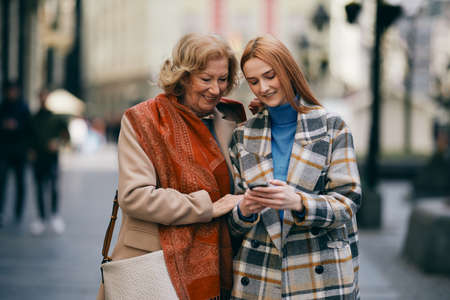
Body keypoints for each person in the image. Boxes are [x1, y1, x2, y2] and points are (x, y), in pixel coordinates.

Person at [97, 33, 246, 300]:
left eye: (222, 79)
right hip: (157, 263)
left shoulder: (232, 119)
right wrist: (206, 208)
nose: (216, 89)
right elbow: (135, 196)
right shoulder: (142, 120)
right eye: (206, 79)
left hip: (222, 265)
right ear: (184, 76)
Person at [228, 35, 361, 299]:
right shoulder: (242, 136)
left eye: (270, 75)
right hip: (259, 277)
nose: (263, 87)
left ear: (287, 70)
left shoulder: (331, 127)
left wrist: (299, 202)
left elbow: (348, 201)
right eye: (253, 81)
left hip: (319, 277)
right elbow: (231, 220)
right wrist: (243, 211)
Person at [29, 88, 70, 235]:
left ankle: (54, 216)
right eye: (40, 96)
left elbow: (66, 137)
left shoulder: (56, 118)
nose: (43, 99)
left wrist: (57, 143)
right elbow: (28, 137)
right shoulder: (33, 118)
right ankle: (41, 218)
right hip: (38, 159)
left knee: (53, 187)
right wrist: (30, 151)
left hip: (52, 159)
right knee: (39, 188)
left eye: (45, 96)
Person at [0, 81, 32, 227]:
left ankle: (18, 212)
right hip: (5, 150)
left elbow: (28, 128)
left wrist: (17, 126)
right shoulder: (3, 106)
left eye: (14, 90)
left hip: (19, 151)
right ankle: (1, 211)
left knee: (20, 183)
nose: (12, 93)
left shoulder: (23, 107)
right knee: (2, 182)